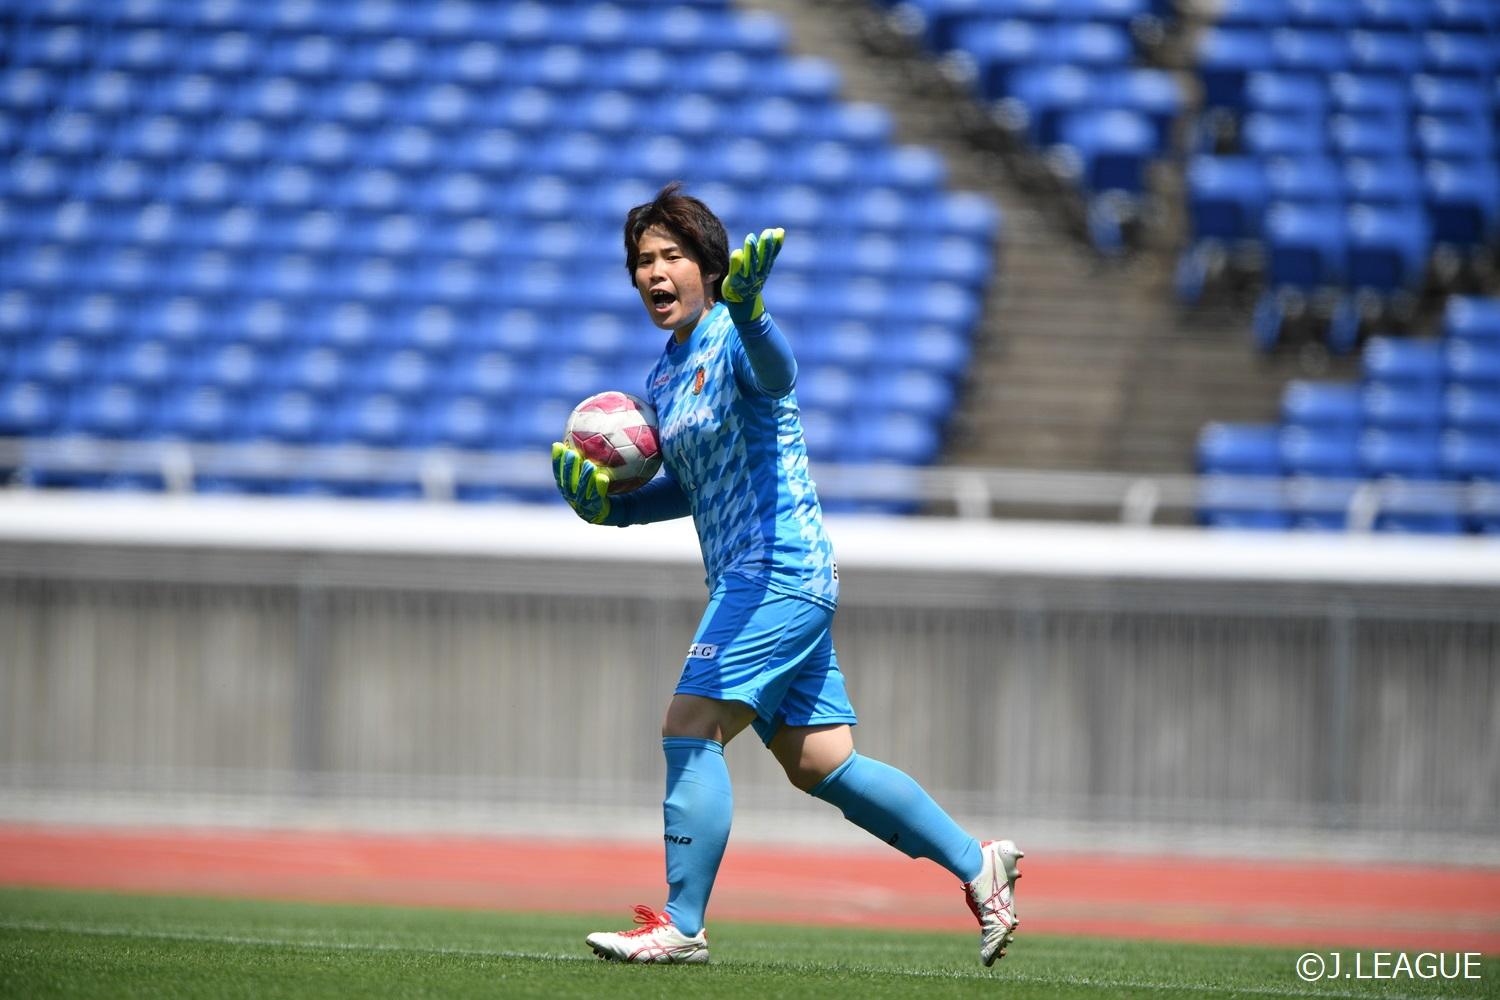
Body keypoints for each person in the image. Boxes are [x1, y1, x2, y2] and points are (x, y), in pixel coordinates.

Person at [550, 182, 1021, 967]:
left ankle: (682, 924)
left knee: (689, 726)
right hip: (758, 578)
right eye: (643, 260)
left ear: (709, 267)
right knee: (821, 764)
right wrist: (613, 512)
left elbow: (777, 376)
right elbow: (690, 485)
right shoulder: (663, 377)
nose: (655, 271)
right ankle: (981, 865)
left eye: (672, 255)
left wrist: (752, 311)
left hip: (776, 568)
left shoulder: (735, 334)